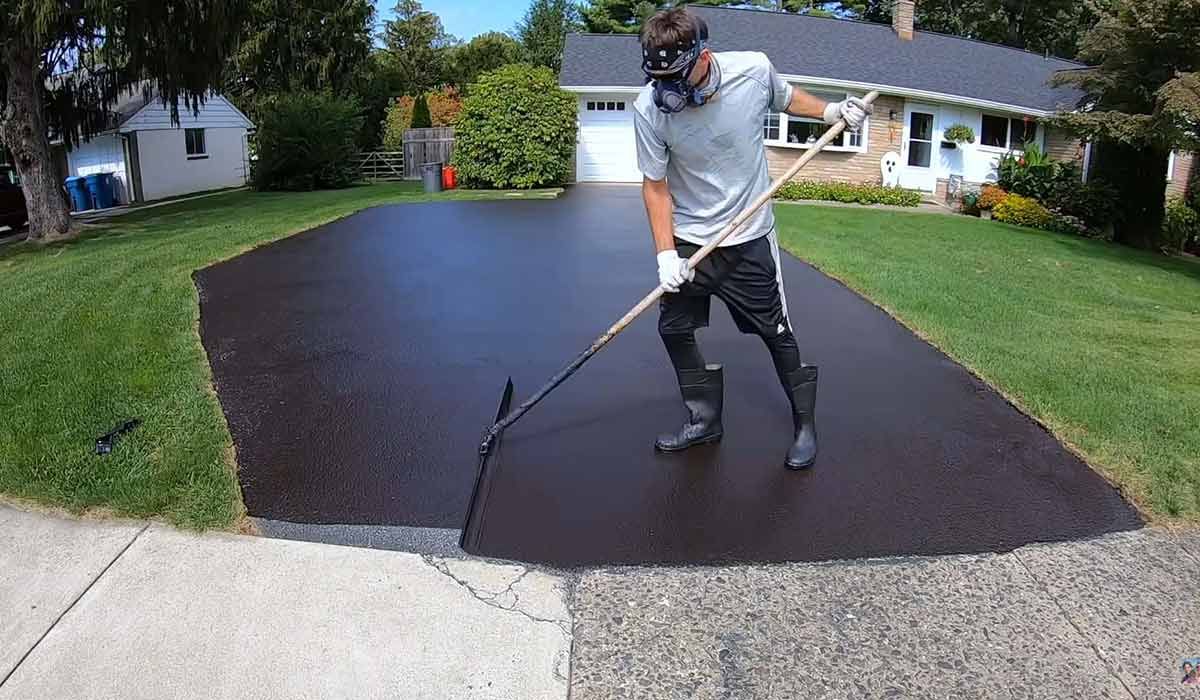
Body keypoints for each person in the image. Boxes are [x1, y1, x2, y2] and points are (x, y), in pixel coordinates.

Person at [634, 7, 870, 469]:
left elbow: (786, 98)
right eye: (661, 79)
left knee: (774, 331)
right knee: (673, 328)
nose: (671, 91)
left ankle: (805, 425)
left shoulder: (753, 71)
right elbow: (655, 186)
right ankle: (704, 420)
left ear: (704, 53)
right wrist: (666, 254)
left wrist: (831, 111)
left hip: (748, 238)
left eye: (679, 76)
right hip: (690, 242)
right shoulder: (650, 109)